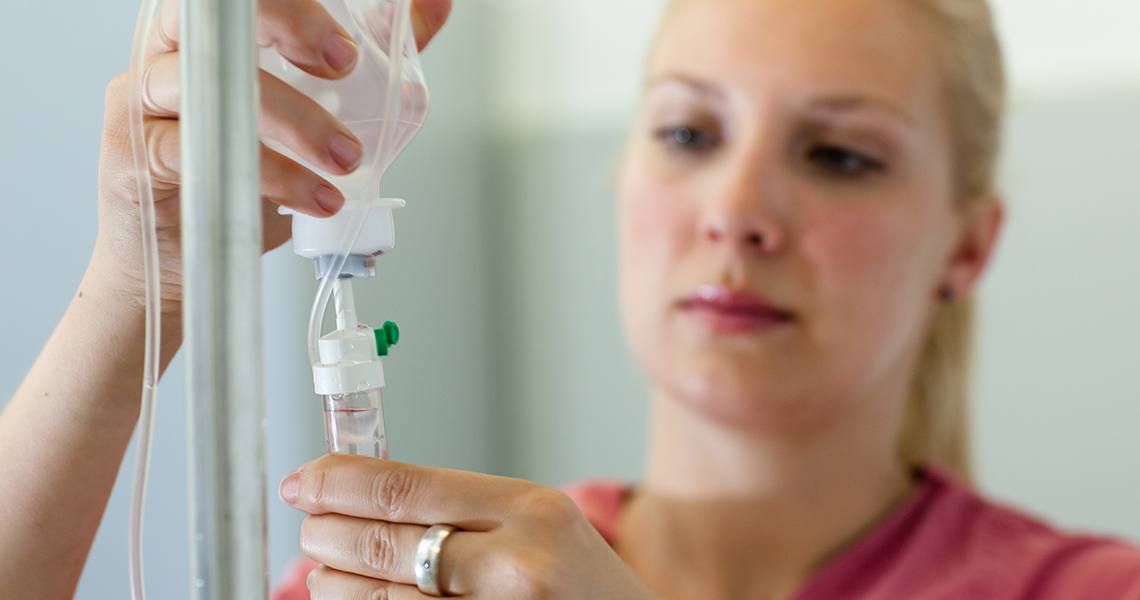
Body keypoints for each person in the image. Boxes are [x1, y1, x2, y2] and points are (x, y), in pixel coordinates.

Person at [2, 0, 1138, 598]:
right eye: (688, 133)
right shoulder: (432, 579)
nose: (736, 210)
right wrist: (131, 291)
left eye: (840, 155)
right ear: (623, 176)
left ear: (969, 244)